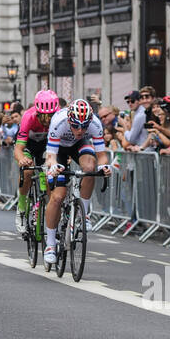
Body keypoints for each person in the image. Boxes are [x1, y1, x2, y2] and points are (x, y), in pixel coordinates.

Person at [42, 99, 111, 266]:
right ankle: (50, 245)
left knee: (90, 167)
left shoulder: (95, 123)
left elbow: (101, 155)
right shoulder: (58, 122)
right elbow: (50, 157)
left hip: (79, 146)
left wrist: (105, 167)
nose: (80, 130)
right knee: (57, 198)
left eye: (84, 126)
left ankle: (83, 214)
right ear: (69, 120)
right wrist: (54, 167)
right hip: (59, 150)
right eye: (75, 126)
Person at [13, 89, 60, 234]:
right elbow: (18, 149)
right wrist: (22, 159)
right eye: (43, 117)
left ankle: (51, 213)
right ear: (37, 112)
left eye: (50, 116)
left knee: (50, 174)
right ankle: (21, 208)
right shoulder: (28, 117)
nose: (47, 121)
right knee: (27, 171)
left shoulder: (59, 117)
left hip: (47, 146)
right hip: (29, 145)